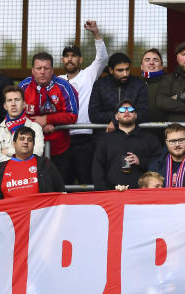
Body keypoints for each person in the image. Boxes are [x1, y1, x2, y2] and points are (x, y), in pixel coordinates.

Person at [61, 20, 109, 184]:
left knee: (85, 181)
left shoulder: (88, 74)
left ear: (80, 60)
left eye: (73, 56)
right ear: (62, 60)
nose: (70, 59)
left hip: (85, 137)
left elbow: (102, 58)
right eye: (66, 56)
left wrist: (95, 33)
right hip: (62, 137)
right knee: (64, 182)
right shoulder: (57, 81)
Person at [19, 52, 80, 177]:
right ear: (32, 70)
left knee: (60, 187)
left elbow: (73, 114)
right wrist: (39, 124)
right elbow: (14, 114)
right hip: (30, 149)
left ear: (52, 70)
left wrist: (48, 119)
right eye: (39, 68)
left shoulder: (64, 87)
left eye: (46, 68)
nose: (42, 72)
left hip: (59, 149)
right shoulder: (23, 87)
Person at [92, 100, 161, 191]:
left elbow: (160, 165)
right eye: (122, 110)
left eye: (131, 109)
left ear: (136, 115)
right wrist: (104, 192)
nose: (126, 112)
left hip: (142, 194)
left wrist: (140, 162)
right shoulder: (105, 140)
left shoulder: (150, 139)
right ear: (116, 116)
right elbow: (97, 169)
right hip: (113, 194)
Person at [0, 126, 64, 200]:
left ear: (33, 145)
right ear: (14, 144)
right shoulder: (1, 168)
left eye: (30, 140)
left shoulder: (45, 164)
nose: (26, 142)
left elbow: (60, 191)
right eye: (22, 139)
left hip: (40, 212)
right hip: (11, 212)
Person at [0, 85, 45, 166]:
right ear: (5, 106)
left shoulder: (35, 127)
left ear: (24, 104)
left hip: (28, 174)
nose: (13, 104)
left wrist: (8, 151)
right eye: (9, 100)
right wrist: (23, 156)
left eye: (17, 100)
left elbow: (37, 154)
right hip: (5, 176)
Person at [89, 52, 150, 128]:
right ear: (111, 70)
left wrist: (115, 120)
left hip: (133, 135)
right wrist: (120, 116)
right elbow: (93, 115)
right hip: (105, 134)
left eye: (127, 69)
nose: (125, 74)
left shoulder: (138, 84)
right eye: (120, 70)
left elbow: (144, 113)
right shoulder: (99, 85)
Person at [141, 48, 167, 124]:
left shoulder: (170, 82)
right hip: (140, 131)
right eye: (147, 60)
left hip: (165, 130)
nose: (151, 63)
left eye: (156, 60)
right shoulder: (135, 84)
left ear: (161, 66)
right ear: (141, 66)